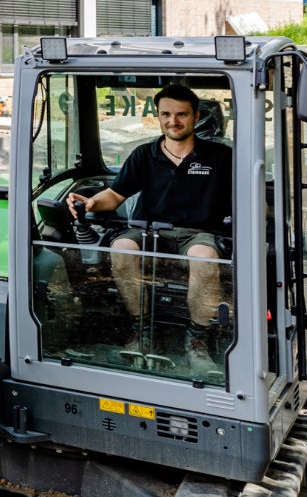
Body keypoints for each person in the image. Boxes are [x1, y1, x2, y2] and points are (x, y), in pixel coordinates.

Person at [66, 84, 232, 335]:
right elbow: (114, 195)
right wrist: (91, 203)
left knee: (204, 259)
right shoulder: (144, 155)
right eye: (165, 114)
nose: (172, 121)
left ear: (196, 117)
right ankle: (141, 328)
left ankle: (198, 338)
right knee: (121, 248)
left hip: (198, 233)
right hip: (149, 231)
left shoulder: (221, 156)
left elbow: (244, 199)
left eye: (181, 114)